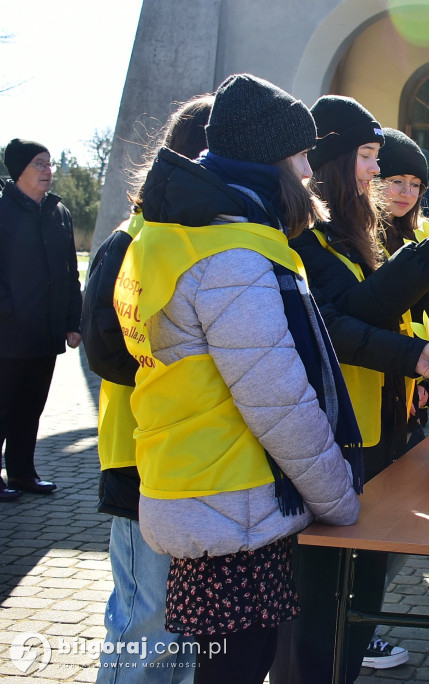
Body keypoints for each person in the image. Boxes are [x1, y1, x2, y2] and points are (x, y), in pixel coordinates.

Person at [117, 73, 361, 683]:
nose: (309, 172)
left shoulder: (174, 230)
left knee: (223, 665)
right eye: (301, 156)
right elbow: (275, 396)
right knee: (236, 668)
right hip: (231, 499)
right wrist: (338, 497)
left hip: (197, 482)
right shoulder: (231, 254)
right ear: (268, 162)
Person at [273, 97, 429, 683]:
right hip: (333, 435)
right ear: (333, 159)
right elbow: (343, 322)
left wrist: (426, 288)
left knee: (362, 590)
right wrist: (427, 261)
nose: (375, 171)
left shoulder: (359, 233)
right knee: (317, 601)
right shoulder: (307, 238)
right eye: (366, 156)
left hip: (376, 431)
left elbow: (378, 311)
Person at [81, 93, 214, 682]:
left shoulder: (201, 240)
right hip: (140, 464)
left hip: (194, 466)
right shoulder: (131, 241)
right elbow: (107, 351)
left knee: (182, 629)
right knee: (145, 623)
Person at [0, 139, 82, 501]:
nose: (48, 170)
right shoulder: (2, 209)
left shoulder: (57, 211)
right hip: (7, 333)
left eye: (49, 164)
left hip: (45, 333)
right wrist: (9, 310)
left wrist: (72, 321)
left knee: (31, 408)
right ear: (18, 169)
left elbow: (69, 273)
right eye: (39, 164)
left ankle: (22, 473)